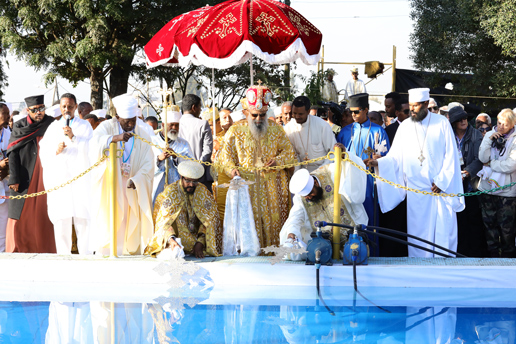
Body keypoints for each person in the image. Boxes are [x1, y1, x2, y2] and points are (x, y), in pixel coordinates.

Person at [366, 88, 465, 258]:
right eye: (410, 106)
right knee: (418, 235)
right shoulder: (405, 127)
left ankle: (444, 267)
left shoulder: (442, 123)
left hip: (439, 189)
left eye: (416, 106)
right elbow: (396, 158)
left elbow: (451, 157)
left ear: (426, 104)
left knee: (442, 231)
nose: (412, 109)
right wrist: (379, 163)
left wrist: (441, 181)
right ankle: (420, 267)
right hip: (416, 193)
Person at [218, 83, 297, 248]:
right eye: (254, 115)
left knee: (273, 225)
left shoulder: (276, 129)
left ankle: (274, 254)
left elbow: (289, 153)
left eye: (262, 115)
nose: (259, 119)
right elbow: (225, 157)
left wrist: (277, 162)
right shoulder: (235, 131)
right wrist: (233, 171)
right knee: (250, 224)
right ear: (247, 112)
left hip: (272, 190)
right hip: (248, 188)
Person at [88, 94, 154, 256]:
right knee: (111, 217)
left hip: (132, 185)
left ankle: (129, 252)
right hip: (110, 185)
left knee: (129, 220)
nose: (131, 124)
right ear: (118, 117)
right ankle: (109, 252)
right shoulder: (106, 128)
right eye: (127, 121)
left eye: (133, 120)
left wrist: (137, 180)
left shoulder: (142, 133)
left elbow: (148, 163)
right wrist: (114, 138)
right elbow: (93, 145)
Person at [279, 143, 369, 255]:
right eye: (306, 196)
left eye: (311, 193)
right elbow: (296, 216)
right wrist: (292, 233)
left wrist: (344, 156)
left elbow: (352, 169)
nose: (309, 197)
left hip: (351, 233)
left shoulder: (331, 172)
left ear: (315, 182)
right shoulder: (301, 196)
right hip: (324, 246)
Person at [39, 93, 94, 254]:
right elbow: (44, 151)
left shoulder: (84, 126)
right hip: (61, 179)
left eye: (70, 106)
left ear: (75, 107)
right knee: (62, 217)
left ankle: (86, 254)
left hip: (80, 180)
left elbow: (92, 149)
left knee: (82, 217)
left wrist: (74, 137)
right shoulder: (54, 127)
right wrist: (56, 150)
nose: (67, 110)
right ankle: (63, 254)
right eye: (64, 106)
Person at [6, 94, 56, 253]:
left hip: (46, 173)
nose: (39, 112)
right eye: (35, 110)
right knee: (22, 212)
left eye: (41, 108)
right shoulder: (19, 126)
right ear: (28, 110)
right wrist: (13, 178)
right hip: (25, 174)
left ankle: (45, 248)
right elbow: (12, 152)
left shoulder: (52, 124)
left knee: (44, 211)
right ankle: (19, 248)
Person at [145, 161, 221, 258]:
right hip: (176, 241)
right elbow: (163, 221)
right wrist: (171, 239)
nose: (191, 184)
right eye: (188, 181)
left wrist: (200, 242)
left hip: (197, 242)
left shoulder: (203, 191)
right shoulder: (171, 192)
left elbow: (210, 219)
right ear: (181, 177)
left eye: (195, 181)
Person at [337, 93, 390, 228]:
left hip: (368, 182)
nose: (353, 115)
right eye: (351, 112)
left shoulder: (378, 131)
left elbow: (386, 158)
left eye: (356, 111)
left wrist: (377, 160)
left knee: (369, 220)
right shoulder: (344, 132)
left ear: (366, 110)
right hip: (348, 180)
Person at [446, 106, 487, 257]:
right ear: (454, 122)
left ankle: (475, 255)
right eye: (459, 119)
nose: (463, 121)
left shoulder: (476, 134)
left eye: (465, 118)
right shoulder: (448, 135)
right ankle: (460, 253)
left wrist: (467, 172)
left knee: (474, 221)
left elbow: (480, 159)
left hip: (471, 185)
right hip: (453, 186)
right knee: (458, 221)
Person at [477, 109, 516, 258]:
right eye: (499, 123)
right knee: (489, 226)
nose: (501, 127)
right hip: (487, 188)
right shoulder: (489, 134)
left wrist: (492, 164)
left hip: (507, 192)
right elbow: (482, 157)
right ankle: (492, 257)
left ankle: (508, 258)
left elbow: (510, 165)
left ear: (512, 125)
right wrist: (488, 139)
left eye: (505, 125)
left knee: (507, 229)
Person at [151, 106, 193, 207]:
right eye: (171, 125)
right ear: (163, 125)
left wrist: (176, 157)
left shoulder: (183, 144)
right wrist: (158, 159)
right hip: (157, 188)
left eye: (177, 125)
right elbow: (144, 164)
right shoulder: (152, 142)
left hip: (178, 189)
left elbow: (191, 166)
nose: (174, 128)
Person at [284, 96, 336, 173]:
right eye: (294, 113)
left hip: (322, 171)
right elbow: (292, 156)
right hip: (300, 173)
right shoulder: (288, 128)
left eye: (300, 114)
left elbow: (333, 153)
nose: (297, 116)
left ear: (308, 111)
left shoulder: (322, 125)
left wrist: (320, 173)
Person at [178, 94, 213, 190]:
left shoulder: (175, 124)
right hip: (200, 177)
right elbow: (207, 151)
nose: (200, 111)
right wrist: (198, 169)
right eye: (200, 107)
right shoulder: (203, 124)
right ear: (194, 107)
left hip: (180, 176)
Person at [0, 103, 10, 251]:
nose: (8, 117)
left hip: (5, 186)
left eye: (8, 114)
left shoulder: (9, 132)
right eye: (5, 113)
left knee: (3, 225)